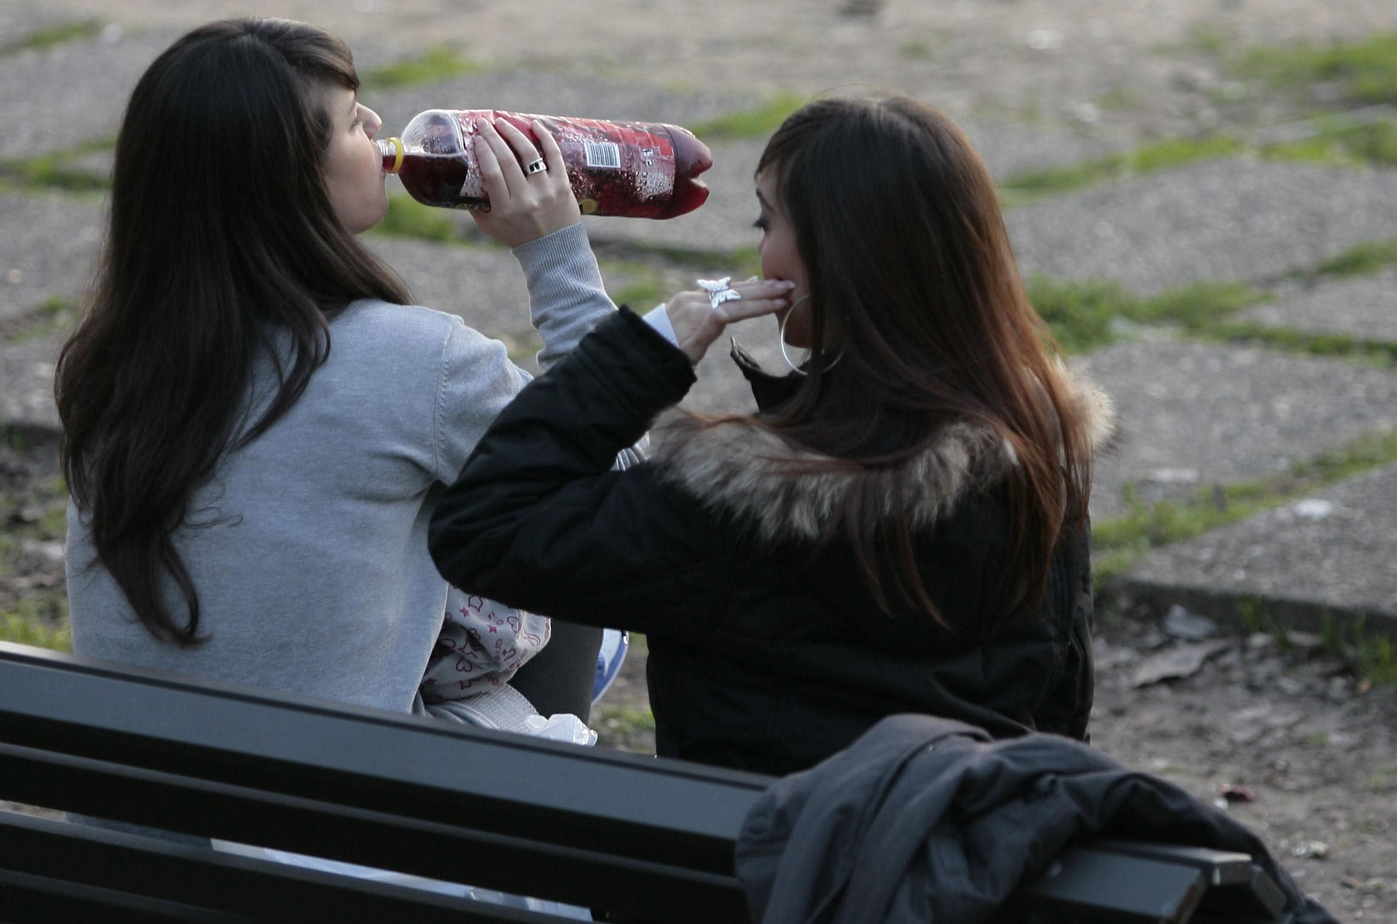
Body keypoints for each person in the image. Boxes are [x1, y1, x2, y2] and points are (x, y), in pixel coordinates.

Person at [429, 95, 1115, 777]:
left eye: (767, 221)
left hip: (751, 872)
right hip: (962, 856)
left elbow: (485, 526)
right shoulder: (1036, 456)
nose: (760, 252)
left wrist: (643, 351)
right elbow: (1059, 710)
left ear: (833, 259)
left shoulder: (742, 504)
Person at [56, 17, 625, 735]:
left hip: (140, 816)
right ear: (289, 183)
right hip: (337, 824)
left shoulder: (111, 366)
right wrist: (555, 254)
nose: (381, 126)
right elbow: (620, 481)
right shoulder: (418, 363)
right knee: (562, 532)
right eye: (353, 124)